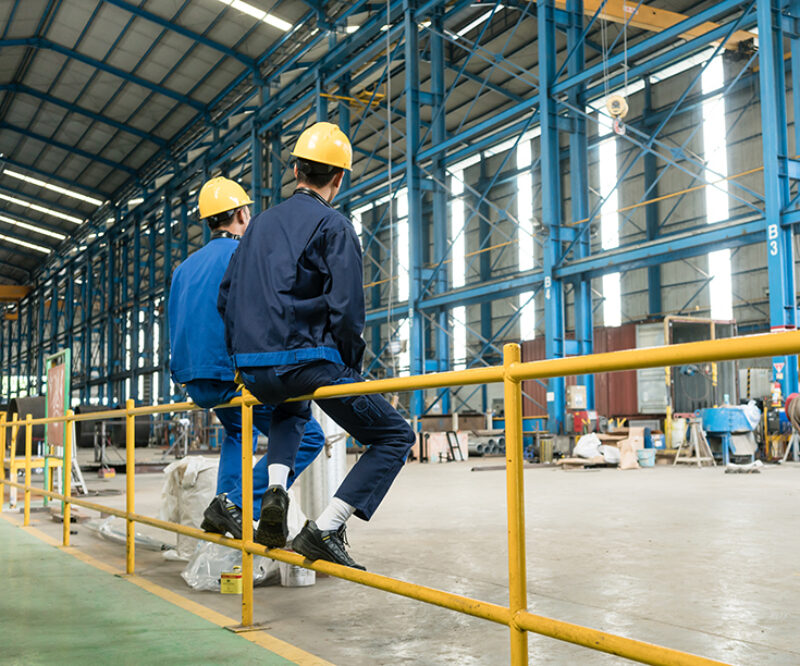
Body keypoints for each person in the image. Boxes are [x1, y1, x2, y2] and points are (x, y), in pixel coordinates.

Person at [218, 122, 416, 569]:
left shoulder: (257, 227)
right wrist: (349, 367)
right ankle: (326, 528)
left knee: (290, 407)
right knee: (395, 435)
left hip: (254, 370)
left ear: (294, 170)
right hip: (307, 364)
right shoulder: (334, 226)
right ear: (339, 178)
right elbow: (346, 309)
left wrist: (240, 359)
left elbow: (226, 297)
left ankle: (274, 492)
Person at [168, 176, 326, 543]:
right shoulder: (245, 254)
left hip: (195, 378)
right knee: (307, 434)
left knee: (239, 430)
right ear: (242, 214)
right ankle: (238, 502)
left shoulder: (183, 268)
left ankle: (224, 502)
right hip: (231, 374)